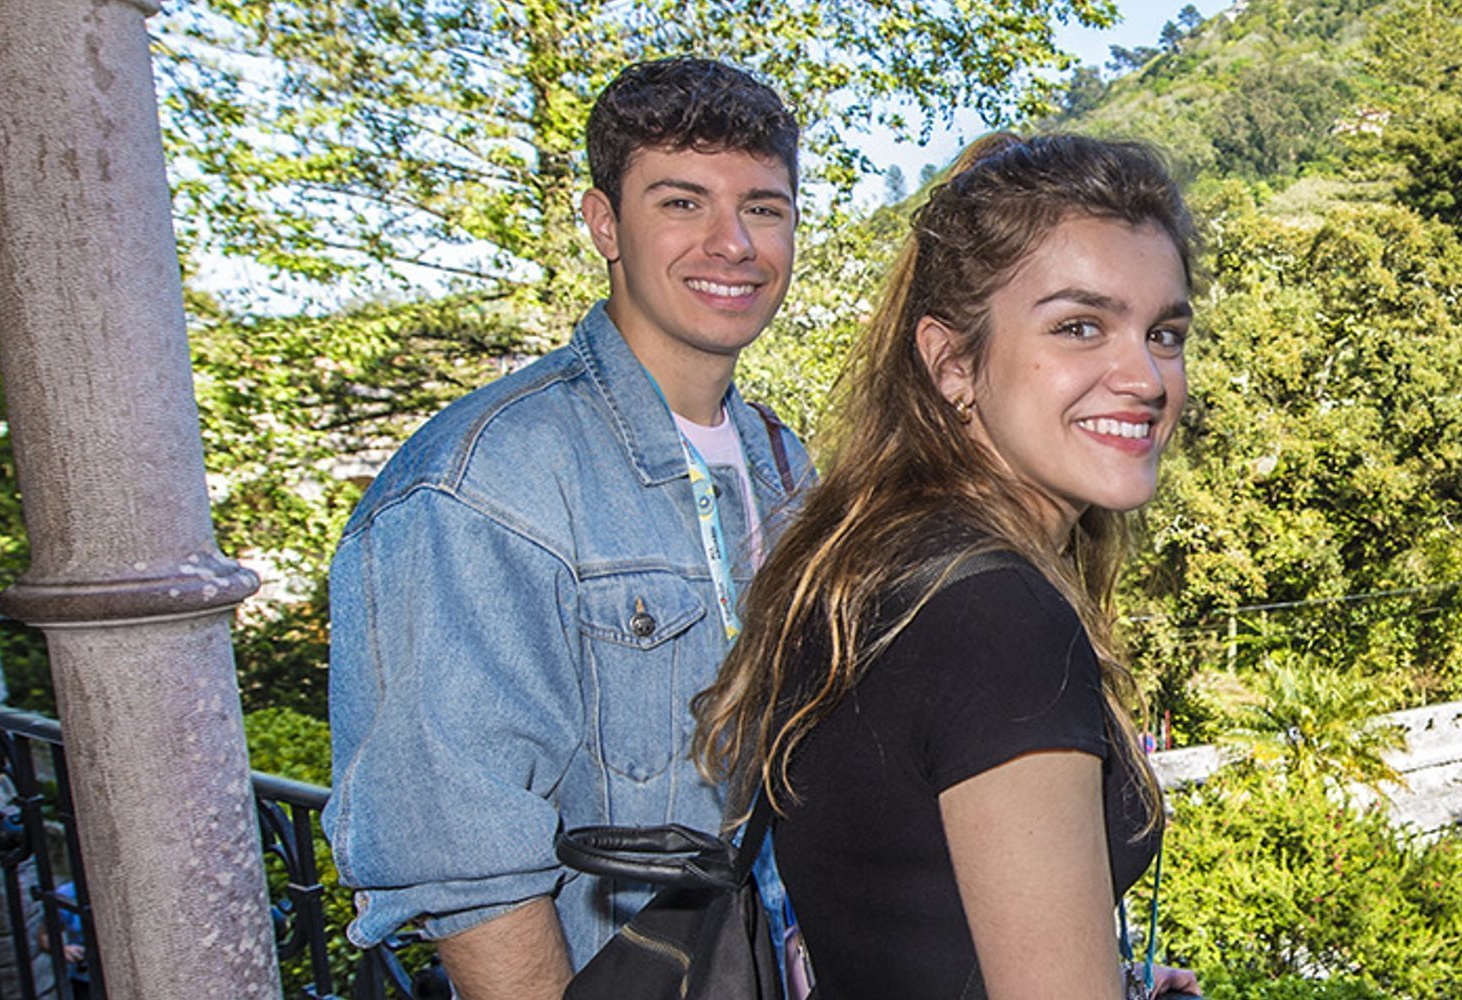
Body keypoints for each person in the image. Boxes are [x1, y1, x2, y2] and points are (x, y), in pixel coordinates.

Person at [323, 57, 810, 1000]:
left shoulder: (785, 465)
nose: (732, 242)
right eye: (681, 202)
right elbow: (472, 867)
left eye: (763, 207)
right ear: (603, 224)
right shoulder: (485, 480)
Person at [694, 133, 1201, 999]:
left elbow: (912, 918)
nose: (1145, 375)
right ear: (952, 362)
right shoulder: (999, 622)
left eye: (1165, 332)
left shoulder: (878, 565)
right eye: (1080, 326)